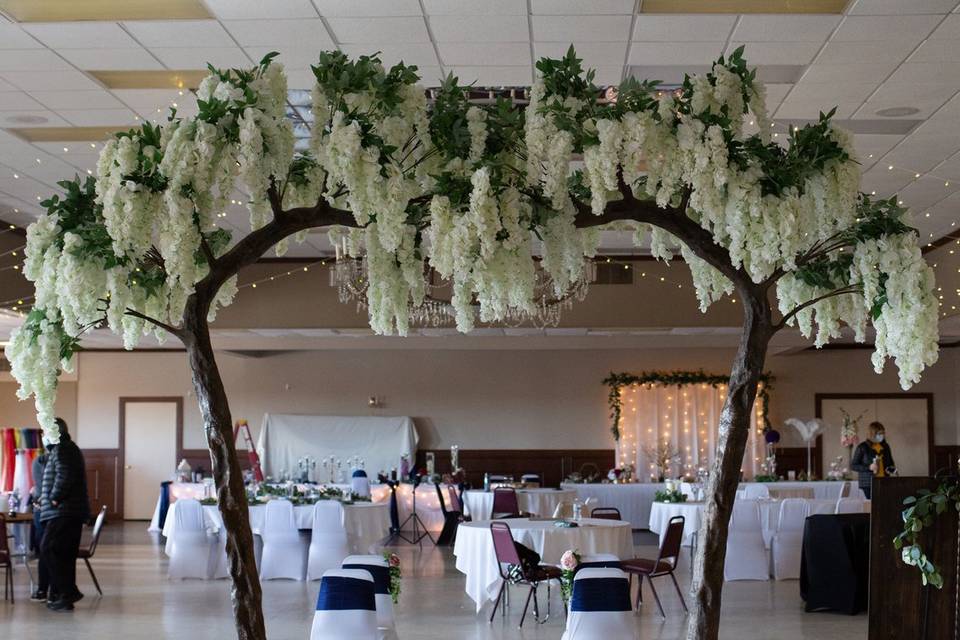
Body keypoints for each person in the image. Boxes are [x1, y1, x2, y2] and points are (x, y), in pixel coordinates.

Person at [38, 418, 90, 612]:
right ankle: (63, 596)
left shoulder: (63, 448)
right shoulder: (64, 448)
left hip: (63, 511)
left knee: (48, 548)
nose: (44, 436)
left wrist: (53, 498)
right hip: (67, 511)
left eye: (45, 432)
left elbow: (64, 475)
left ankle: (68, 591)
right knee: (63, 554)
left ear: (54, 432)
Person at [29, 441, 52, 602]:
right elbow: (40, 487)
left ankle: (45, 589)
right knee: (45, 550)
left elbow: (43, 488)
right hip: (45, 509)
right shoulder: (41, 461)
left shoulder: (42, 461)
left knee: (46, 550)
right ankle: (46, 589)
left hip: (48, 509)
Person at [851, 421, 896, 499]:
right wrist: (869, 467)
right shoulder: (862, 447)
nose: (882, 435)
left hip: (884, 481)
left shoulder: (885, 446)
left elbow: (890, 463)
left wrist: (892, 469)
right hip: (868, 483)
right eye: (880, 433)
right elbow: (853, 465)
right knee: (872, 507)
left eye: (883, 433)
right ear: (872, 434)